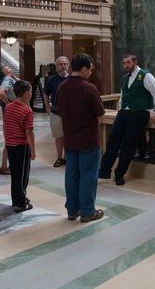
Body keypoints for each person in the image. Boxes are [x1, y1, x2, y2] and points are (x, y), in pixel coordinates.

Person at [99, 54, 155, 186]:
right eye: (123, 63)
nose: (125, 65)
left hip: (139, 113)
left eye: (128, 62)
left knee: (128, 144)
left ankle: (119, 174)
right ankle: (104, 170)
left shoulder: (145, 76)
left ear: (135, 62)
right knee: (113, 140)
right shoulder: (124, 78)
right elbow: (123, 95)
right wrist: (121, 107)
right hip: (123, 112)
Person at [56, 53, 106, 222]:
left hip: (69, 138)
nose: (91, 72)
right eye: (90, 69)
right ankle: (87, 211)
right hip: (88, 139)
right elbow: (100, 114)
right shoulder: (89, 88)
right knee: (88, 175)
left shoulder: (62, 87)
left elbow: (59, 111)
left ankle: (72, 210)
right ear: (84, 68)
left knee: (71, 175)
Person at [3, 80, 36, 212]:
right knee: (22, 175)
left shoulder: (9, 107)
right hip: (21, 146)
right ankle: (21, 203)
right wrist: (33, 150)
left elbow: (5, 125)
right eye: (31, 91)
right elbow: (29, 131)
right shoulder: (26, 110)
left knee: (15, 174)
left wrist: (6, 140)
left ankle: (16, 199)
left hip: (10, 144)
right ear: (27, 93)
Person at [43, 56, 69, 168]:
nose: (63, 66)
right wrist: (47, 107)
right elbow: (46, 93)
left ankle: (68, 158)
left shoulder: (72, 79)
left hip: (70, 113)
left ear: (68, 65)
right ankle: (59, 158)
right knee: (59, 136)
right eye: (60, 64)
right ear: (57, 66)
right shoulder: (52, 80)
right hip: (56, 112)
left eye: (65, 64)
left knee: (69, 136)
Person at [0, 63, 19, 175]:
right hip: (11, 116)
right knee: (10, 141)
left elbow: (21, 84)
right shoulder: (7, 80)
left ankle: (5, 166)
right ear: (3, 72)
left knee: (9, 141)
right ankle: (4, 166)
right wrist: (9, 104)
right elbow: (0, 93)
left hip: (9, 116)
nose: (9, 67)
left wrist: (12, 75)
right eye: (6, 67)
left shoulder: (9, 79)